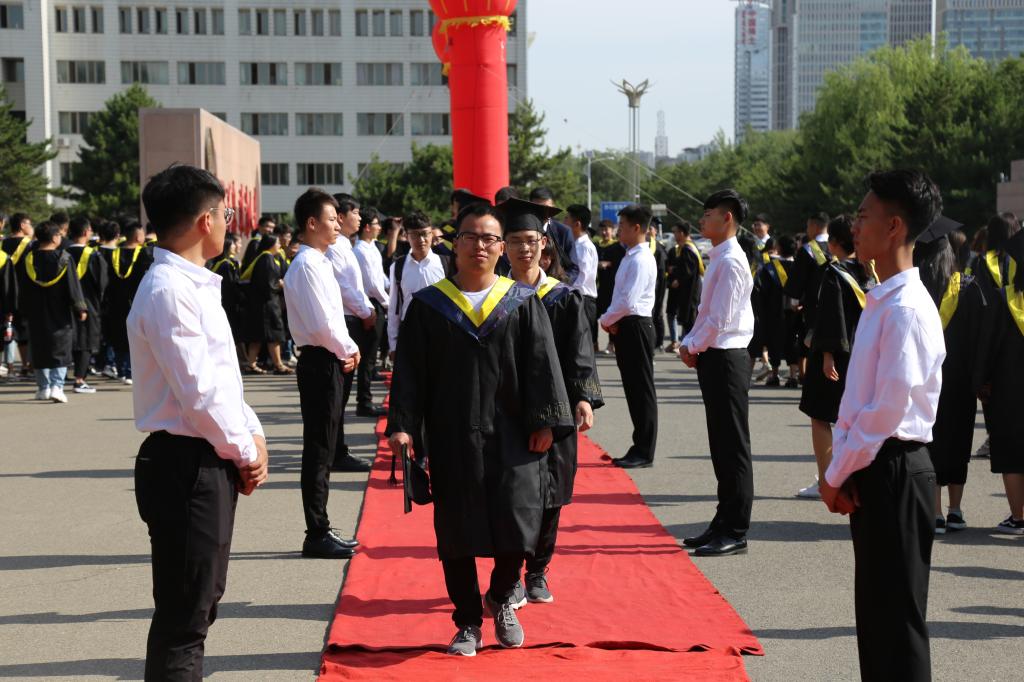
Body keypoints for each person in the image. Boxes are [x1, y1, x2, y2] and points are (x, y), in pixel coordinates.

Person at [387, 202, 574, 656]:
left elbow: (543, 365)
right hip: (452, 433)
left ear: (500, 247)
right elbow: (410, 373)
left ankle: (503, 595)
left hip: (514, 434)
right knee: (456, 529)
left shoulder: (521, 301)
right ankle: (468, 620)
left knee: (519, 521)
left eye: (490, 238)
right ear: (455, 244)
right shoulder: (429, 306)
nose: (480, 246)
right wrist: (403, 425)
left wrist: (547, 422)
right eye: (470, 237)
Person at [128, 164, 269, 679]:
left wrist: (252, 434)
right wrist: (246, 451)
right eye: (226, 215)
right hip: (185, 463)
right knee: (185, 616)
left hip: (205, 456)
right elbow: (200, 393)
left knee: (198, 604)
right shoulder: (169, 290)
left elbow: (223, 379)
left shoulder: (193, 284)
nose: (230, 224)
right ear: (205, 220)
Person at [820, 170, 945, 682]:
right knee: (876, 619)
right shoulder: (883, 298)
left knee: (897, 624)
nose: (855, 225)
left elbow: (885, 411)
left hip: (895, 465)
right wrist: (844, 465)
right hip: (876, 463)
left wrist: (835, 472)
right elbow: (859, 402)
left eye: (863, 215)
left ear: (894, 227)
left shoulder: (906, 309)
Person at [502, 197, 604, 606]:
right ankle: (509, 573)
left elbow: (580, 352)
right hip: (508, 410)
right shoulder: (494, 296)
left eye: (531, 240)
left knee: (551, 492)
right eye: (515, 241)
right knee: (511, 495)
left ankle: (537, 570)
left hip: (556, 407)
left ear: (544, 244)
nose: (524, 248)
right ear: (504, 246)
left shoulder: (562, 297)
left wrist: (583, 398)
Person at [283, 189, 363, 558]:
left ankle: (321, 525)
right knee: (318, 447)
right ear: (311, 223)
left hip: (328, 357)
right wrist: (348, 348)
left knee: (324, 445)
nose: (337, 225)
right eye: (331, 219)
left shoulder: (317, 261)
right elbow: (322, 324)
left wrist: (346, 348)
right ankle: (316, 531)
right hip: (321, 359)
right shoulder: (307, 265)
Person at [678, 190, 755, 557]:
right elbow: (706, 313)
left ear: (727, 218)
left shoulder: (732, 261)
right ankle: (722, 521)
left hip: (726, 357)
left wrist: (692, 345)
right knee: (720, 445)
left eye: (708, 214)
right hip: (714, 355)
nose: (702, 220)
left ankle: (735, 529)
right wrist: (690, 343)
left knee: (732, 446)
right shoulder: (720, 257)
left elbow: (720, 319)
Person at [912, 217, 991, 534]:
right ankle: (955, 510)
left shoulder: (917, 288)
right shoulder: (969, 287)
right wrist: (980, 377)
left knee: (930, 440)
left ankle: (935, 512)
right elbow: (981, 337)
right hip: (960, 379)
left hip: (925, 378)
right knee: (958, 441)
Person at [795, 216, 876, 500]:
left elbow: (832, 316)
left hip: (834, 354)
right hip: (863, 353)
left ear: (833, 243)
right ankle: (855, 478)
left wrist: (827, 355)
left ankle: (827, 480)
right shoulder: (870, 272)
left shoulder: (835, 273)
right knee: (854, 420)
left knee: (820, 417)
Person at [600, 204, 658, 468]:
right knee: (634, 389)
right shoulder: (630, 255)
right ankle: (639, 446)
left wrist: (605, 320)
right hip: (626, 324)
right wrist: (612, 320)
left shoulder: (641, 259)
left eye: (622, 226)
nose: (618, 230)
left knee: (641, 390)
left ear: (637, 228)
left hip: (636, 325)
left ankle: (644, 451)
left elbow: (628, 301)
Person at [326, 194, 375, 473]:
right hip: (348, 319)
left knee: (342, 393)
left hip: (355, 317)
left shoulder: (346, 245)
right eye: (355, 212)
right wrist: (366, 312)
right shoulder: (335, 248)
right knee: (339, 394)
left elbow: (357, 287)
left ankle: (337, 449)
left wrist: (367, 309)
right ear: (341, 217)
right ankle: (336, 452)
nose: (359, 217)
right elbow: (346, 288)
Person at [16, 221, 87, 403]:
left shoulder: (29, 260)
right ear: (55, 238)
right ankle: (57, 386)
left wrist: (23, 309)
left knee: (39, 347)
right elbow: (73, 285)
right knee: (60, 348)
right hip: (60, 312)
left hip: (36, 311)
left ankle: (43, 388)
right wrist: (80, 307)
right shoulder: (64, 259)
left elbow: (22, 288)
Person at [983, 227, 1024, 534]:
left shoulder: (1003, 299)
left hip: (1009, 388)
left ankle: (1018, 517)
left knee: (1011, 452)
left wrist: (981, 380)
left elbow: (989, 345)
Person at [387, 211, 449, 358]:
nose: (421, 240)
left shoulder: (446, 263)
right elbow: (394, 308)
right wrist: (393, 345)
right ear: (406, 235)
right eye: (415, 235)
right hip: (410, 331)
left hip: (440, 332)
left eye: (425, 234)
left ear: (432, 234)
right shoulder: (398, 267)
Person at [105, 220, 154, 385]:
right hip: (137, 300)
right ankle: (132, 371)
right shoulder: (145, 254)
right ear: (138, 236)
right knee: (137, 336)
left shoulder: (114, 254)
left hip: (116, 301)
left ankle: (121, 369)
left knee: (119, 335)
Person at [352, 207, 390, 411]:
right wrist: (389, 303)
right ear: (367, 227)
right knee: (368, 356)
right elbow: (373, 284)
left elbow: (381, 277)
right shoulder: (360, 250)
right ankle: (364, 401)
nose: (380, 228)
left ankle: (365, 398)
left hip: (378, 301)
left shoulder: (372, 247)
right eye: (377, 224)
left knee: (371, 354)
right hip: (372, 302)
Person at [66, 216, 108, 394]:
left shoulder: (62, 253)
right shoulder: (93, 255)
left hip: (65, 304)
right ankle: (80, 379)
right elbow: (102, 283)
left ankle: (64, 376)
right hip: (89, 303)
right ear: (85, 232)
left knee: (70, 339)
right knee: (85, 341)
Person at [750, 235, 799, 388]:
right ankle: (793, 376)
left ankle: (775, 374)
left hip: (773, 312)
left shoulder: (770, 268)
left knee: (774, 342)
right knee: (792, 342)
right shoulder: (799, 267)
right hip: (795, 312)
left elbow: (759, 291)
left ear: (778, 248)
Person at [241, 234, 290, 374]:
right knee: (273, 335)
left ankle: (251, 364)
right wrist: (279, 285)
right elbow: (268, 284)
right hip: (268, 305)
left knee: (258, 336)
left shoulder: (264, 258)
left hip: (262, 304)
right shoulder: (267, 258)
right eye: (277, 243)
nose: (280, 245)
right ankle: (278, 365)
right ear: (271, 244)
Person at [3, 213, 34, 377]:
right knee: (25, 331)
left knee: (6, 328)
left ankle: (9, 366)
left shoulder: (3, 243)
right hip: (24, 292)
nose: (31, 227)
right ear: (22, 225)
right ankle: (26, 365)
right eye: (30, 224)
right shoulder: (30, 245)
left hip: (5, 292)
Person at [529, 186, 579, 281]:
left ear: (553, 206)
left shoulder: (563, 232)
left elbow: (574, 267)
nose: (544, 211)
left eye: (547, 207)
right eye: (538, 207)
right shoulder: (523, 232)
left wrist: (560, 284)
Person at [565, 204, 599, 346]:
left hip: (582, 300)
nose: (564, 222)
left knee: (582, 347)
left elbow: (581, 277)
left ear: (577, 224)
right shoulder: (575, 245)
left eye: (567, 219)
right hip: (578, 298)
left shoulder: (584, 247)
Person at [208, 233, 244, 360]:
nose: (235, 246)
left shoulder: (218, 263)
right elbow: (230, 288)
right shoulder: (226, 265)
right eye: (233, 244)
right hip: (228, 305)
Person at [594, 219, 625, 354]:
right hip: (598, 287)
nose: (604, 232)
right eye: (602, 230)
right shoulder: (596, 246)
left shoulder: (617, 247)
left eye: (607, 230)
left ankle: (612, 343)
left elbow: (620, 265)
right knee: (593, 316)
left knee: (612, 316)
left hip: (612, 288)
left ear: (612, 231)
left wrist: (609, 264)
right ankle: (594, 343)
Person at [670, 221, 705, 342]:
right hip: (693, 287)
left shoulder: (687, 249)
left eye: (675, 232)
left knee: (690, 319)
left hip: (690, 290)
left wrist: (677, 277)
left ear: (681, 233)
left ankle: (690, 345)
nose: (674, 235)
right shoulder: (691, 246)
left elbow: (687, 271)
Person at [647, 221, 669, 351]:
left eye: (651, 229)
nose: (648, 231)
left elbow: (662, 271)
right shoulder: (644, 246)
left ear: (655, 231)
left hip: (658, 285)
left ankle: (659, 342)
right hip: (648, 286)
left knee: (657, 313)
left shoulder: (659, 248)